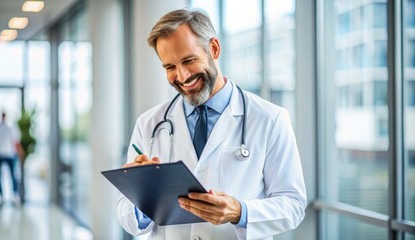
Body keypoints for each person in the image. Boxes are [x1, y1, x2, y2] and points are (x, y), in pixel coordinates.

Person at [117, 9, 307, 240]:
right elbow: (125, 213)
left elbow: (293, 205)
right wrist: (142, 194)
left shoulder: (270, 118)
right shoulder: (149, 124)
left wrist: (240, 211)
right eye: (170, 67)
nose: (182, 75)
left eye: (189, 60)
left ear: (214, 49)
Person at [0, 112, 21, 204]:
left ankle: (13, 195)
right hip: (0, 154)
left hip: (7, 154)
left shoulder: (10, 128)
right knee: (0, 176)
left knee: (11, 175)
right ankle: (4, 196)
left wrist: (19, 153)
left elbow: (15, 143)